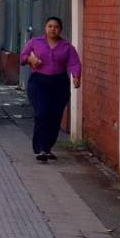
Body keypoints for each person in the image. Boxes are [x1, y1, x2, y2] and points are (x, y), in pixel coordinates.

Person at [19, 16, 82, 162]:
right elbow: (23, 57)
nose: (53, 29)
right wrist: (30, 59)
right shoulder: (35, 42)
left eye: (56, 27)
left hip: (59, 84)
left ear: (60, 30)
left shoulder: (67, 47)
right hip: (39, 83)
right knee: (42, 113)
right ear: (45, 28)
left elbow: (74, 63)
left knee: (54, 117)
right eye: (50, 26)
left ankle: (47, 148)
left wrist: (76, 76)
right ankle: (40, 148)